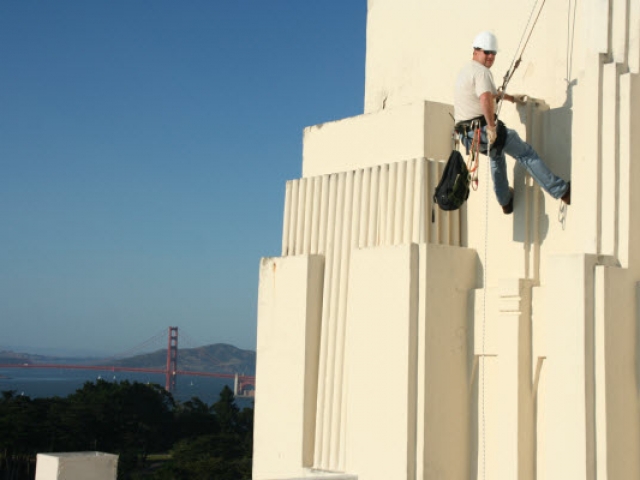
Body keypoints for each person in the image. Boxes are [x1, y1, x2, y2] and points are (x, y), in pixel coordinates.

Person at [454, 31, 571, 214]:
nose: (491, 57)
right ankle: (561, 191)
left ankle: (505, 201)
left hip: (468, 136)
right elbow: (485, 98)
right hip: (481, 130)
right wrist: (492, 127)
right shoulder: (481, 72)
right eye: (487, 52)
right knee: (525, 153)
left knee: (496, 155)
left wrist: (512, 99)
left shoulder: (466, 71)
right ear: (476, 51)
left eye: (493, 53)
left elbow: (491, 93)